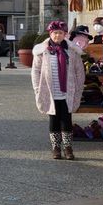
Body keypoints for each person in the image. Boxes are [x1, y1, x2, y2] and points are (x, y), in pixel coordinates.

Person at [31, 21, 86, 160]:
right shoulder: (42, 51)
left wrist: (78, 89)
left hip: (67, 91)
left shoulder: (72, 51)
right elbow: (35, 71)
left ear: (65, 34)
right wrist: (37, 89)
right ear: (50, 34)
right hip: (50, 91)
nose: (57, 35)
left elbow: (80, 71)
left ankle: (67, 147)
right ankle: (56, 148)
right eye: (55, 33)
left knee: (66, 119)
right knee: (53, 119)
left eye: (60, 33)